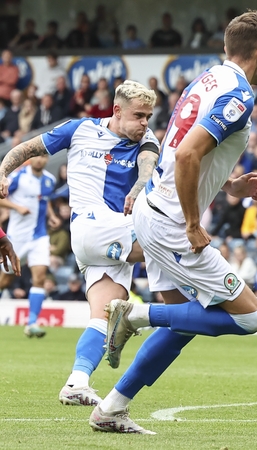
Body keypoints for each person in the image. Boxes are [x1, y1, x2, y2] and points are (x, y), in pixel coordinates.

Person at [88, 11, 257, 435]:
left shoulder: (206, 80)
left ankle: (111, 408)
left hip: (153, 210)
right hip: (174, 225)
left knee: (181, 321)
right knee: (247, 319)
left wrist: (231, 186)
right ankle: (135, 316)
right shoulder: (239, 95)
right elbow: (185, 156)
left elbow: (181, 151)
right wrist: (194, 223)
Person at [0, 80, 162, 404]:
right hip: (96, 225)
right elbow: (25, 149)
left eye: (149, 116)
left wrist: (138, 188)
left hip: (107, 234)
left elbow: (148, 167)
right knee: (174, 244)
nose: (145, 123)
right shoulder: (79, 129)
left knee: (103, 317)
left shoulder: (146, 139)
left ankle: (76, 382)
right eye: (139, 115)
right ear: (116, 110)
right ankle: (230, 294)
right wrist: (3, 172)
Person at [0, 154, 55, 338]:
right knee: (5, 280)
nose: (40, 160)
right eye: (37, 156)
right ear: (31, 158)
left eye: (44, 157)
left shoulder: (50, 179)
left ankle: (32, 323)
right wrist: (16, 207)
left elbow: (43, 201)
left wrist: (52, 215)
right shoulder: (18, 176)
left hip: (40, 236)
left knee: (39, 276)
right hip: (17, 237)